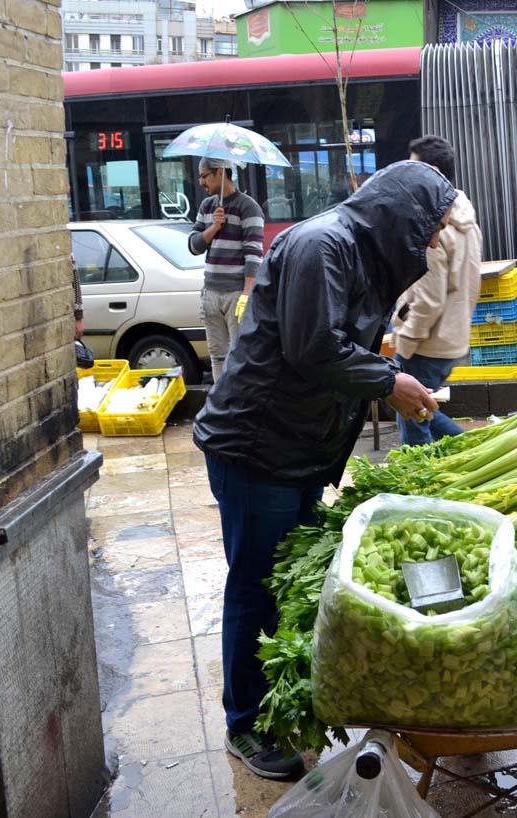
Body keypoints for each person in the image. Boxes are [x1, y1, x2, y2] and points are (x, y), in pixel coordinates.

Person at [193, 161, 453, 781]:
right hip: (257, 447)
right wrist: (389, 381)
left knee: (286, 584)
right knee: (257, 587)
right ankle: (245, 725)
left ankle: (277, 705)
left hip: (300, 448)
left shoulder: (366, 252)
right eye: (433, 227)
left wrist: (380, 362)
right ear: (403, 214)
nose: (436, 241)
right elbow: (313, 349)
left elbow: (337, 340)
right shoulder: (322, 244)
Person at [392, 135, 484, 445]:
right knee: (423, 411)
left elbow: (429, 299)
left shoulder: (431, 222)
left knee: (413, 416)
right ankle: (473, 447)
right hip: (451, 336)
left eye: (413, 165)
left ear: (432, 171)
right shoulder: (466, 217)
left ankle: (423, 480)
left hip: (426, 342)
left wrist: (405, 342)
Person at [188, 156, 265, 382]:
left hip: (235, 293)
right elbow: (193, 245)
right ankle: (220, 406)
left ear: (220, 172)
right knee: (217, 355)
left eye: (204, 176)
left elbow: (254, 253)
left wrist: (246, 293)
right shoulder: (207, 206)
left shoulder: (248, 207)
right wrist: (214, 227)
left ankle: (240, 404)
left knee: (240, 354)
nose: (201, 182)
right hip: (210, 292)